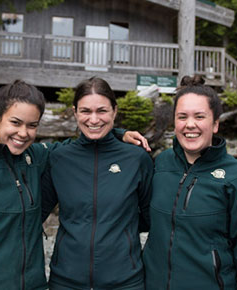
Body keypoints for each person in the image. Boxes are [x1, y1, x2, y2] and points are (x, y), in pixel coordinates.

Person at [0, 80, 148, 290]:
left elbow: (87, 145)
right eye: (15, 122)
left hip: (35, 284)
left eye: (32, 125)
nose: (23, 133)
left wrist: (118, 134)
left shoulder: (36, 156)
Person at [142, 76, 237, 290]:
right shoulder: (161, 163)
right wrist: (120, 134)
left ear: (215, 124)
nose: (190, 124)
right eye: (182, 117)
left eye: (199, 116)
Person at [41, 77, 153, 290]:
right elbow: (37, 213)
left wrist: (119, 227)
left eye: (101, 111)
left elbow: (150, 217)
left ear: (114, 112)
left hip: (125, 282)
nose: (93, 120)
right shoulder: (60, 158)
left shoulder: (137, 158)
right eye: (85, 111)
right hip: (66, 281)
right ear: (75, 113)